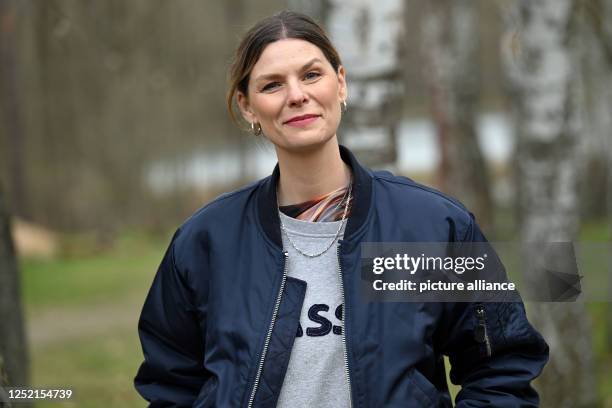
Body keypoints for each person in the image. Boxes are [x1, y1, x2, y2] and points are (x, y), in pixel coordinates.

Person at [134, 10, 548, 408]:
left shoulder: (432, 225)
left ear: (341, 83)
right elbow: (171, 385)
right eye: (272, 84)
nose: (297, 95)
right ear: (247, 106)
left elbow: (502, 363)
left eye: (312, 74)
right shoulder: (207, 241)